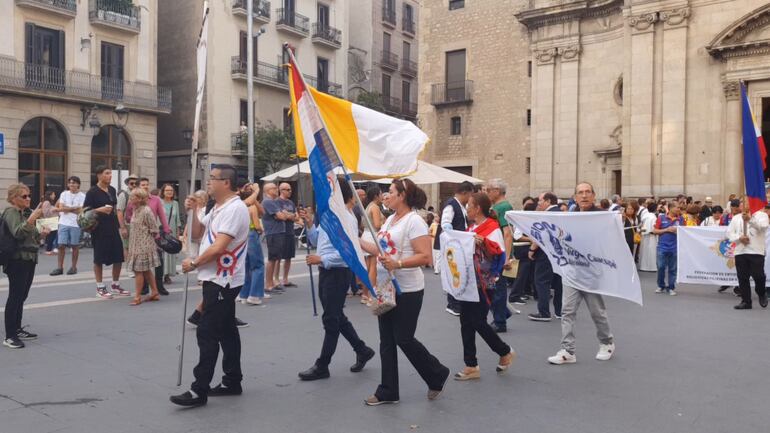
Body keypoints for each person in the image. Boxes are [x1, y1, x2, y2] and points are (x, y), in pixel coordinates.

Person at [361, 179, 450, 406]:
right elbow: (381, 250)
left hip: (408, 290)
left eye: (390, 192)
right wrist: (356, 241)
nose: (385, 195)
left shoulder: (415, 222)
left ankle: (436, 372)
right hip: (387, 288)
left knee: (403, 338)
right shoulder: (390, 219)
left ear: (402, 195)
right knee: (386, 341)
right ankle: (388, 391)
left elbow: (425, 257)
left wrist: (398, 264)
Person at [171, 164, 249, 407]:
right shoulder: (217, 207)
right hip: (214, 277)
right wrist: (193, 210)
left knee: (207, 332)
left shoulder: (235, 209)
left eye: (213, 178)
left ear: (226, 183)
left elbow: (219, 247)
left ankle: (199, 389)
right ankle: (232, 380)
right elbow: (197, 233)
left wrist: (193, 262)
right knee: (226, 330)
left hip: (223, 279)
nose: (208, 182)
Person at [298, 180, 376, 381]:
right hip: (325, 272)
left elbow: (348, 252)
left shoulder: (347, 219)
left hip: (338, 273)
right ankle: (362, 349)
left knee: (331, 320)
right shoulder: (328, 215)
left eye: (331, 191)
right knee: (336, 316)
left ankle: (322, 365)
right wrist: (309, 225)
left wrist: (322, 258)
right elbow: (318, 241)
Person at [547, 182, 615, 365]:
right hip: (572, 272)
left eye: (587, 192)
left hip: (592, 273)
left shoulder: (602, 216)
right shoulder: (569, 216)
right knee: (567, 311)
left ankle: (606, 343)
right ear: (575, 197)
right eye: (580, 193)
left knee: (597, 312)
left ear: (594, 195)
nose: (584, 196)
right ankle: (567, 350)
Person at [453, 193, 516, 381]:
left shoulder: (491, 227)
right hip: (469, 280)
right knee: (466, 321)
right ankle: (471, 364)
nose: (467, 209)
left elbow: (498, 252)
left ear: (477, 208)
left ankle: (504, 351)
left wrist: (483, 242)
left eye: (469, 206)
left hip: (484, 281)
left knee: (478, 321)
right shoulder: (472, 227)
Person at [2, 184, 48, 349]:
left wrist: (41, 233)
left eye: (29, 196)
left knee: (22, 295)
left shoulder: (24, 213)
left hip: (29, 258)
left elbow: (31, 235)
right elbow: (18, 232)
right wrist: (32, 218)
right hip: (17, 260)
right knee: (15, 296)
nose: (28, 198)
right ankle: (10, 336)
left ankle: (17, 328)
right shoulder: (11, 212)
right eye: (24, 196)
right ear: (14, 198)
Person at [84, 166, 127, 299]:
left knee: (119, 256)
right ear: (99, 175)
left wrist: (121, 225)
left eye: (110, 173)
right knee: (99, 258)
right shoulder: (92, 192)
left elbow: (115, 207)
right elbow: (85, 212)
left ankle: (115, 284)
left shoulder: (112, 190)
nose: (110, 176)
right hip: (99, 229)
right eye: (107, 173)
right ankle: (100, 287)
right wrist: (100, 210)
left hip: (112, 227)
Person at [435, 181, 474, 316]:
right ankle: (453, 304)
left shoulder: (459, 205)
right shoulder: (451, 205)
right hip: (453, 246)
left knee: (457, 274)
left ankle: (456, 303)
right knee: (454, 274)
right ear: (465, 193)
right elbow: (446, 224)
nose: (471, 198)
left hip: (458, 245)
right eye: (470, 195)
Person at [127, 178, 171, 296]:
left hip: (147, 241)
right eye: (143, 185)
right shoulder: (134, 207)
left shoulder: (153, 202)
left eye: (147, 184)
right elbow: (128, 216)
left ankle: (157, 288)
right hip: (136, 242)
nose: (146, 186)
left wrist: (165, 231)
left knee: (152, 265)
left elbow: (160, 218)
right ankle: (148, 290)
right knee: (144, 269)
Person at [485, 178, 515, 332]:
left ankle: (500, 321)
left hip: (499, 255)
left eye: (488, 190)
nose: (486, 192)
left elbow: (507, 232)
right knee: (493, 287)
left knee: (497, 288)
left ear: (497, 190)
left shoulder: (503, 207)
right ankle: (501, 314)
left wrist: (507, 257)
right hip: (495, 253)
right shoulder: (498, 206)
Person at [528, 192, 562, 322]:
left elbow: (541, 235)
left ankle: (543, 312)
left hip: (545, 253)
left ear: (548, 201)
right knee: (558, 282)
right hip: (558, 253)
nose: (539, 203)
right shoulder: (560, 212)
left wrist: (532, 249)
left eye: (541, 201)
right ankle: (559, 311)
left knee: (542, 281)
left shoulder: (546, 215)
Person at [729, 200, 769, 310]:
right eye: (743, 203)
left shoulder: (762, 215)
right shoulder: (736, 218)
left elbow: (764, 227)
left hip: (756, 251)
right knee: (742, 277)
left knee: (758, 275)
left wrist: (750, 220)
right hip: (740, 251)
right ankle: (746, 301)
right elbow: (729, 233)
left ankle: (761, 292)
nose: (745, 205)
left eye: (748, 202)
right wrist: (739, 238)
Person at [125, 188, 161, 305]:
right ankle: (155, 292)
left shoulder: (146, 210)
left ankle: (137, 297)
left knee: (138, 271)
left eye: (133, 197)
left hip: (143, 245)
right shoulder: (136, 209)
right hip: (135, 244)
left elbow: (154, 228)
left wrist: (146, 237)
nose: (130, 199)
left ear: (140, 199)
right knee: (145, 271)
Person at [238, 183, 267, 306]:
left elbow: (263, 211)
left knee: (246, 265)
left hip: (241, 235)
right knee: (258, 265)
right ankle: (254, 295)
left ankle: (244, 294)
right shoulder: (252, 208)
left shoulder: (239, 205)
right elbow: (256, 223)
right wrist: (260, 230)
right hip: (252, 234)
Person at [51, 176, 86, 276]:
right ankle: (59, 267)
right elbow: (61, 207)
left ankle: (74, 267)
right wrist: (73, 208)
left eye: (74, 183)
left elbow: (81, 210)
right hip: (63, 222)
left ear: (78, 184)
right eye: (70, 183)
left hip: (76, 224)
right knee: (61, 245)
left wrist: (66, 209)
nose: (72, 185)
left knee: (75, 246)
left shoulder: (82, 196)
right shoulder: (64, 194)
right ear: (68, 184)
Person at [653, 202, 683, 296]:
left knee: (673, 269)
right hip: (662, 247)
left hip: (674, 248)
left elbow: (685, 233)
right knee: (661, 267)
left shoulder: (681, 219)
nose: (679, 209)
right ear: (670, 208)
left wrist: (677, 231)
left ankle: (671, 287)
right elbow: (654, 231)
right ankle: (661, 285)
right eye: (677, 207)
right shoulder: (661, 218)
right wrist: (666, 230)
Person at [161, 184, 181, 285]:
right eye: (167, 190)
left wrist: (178, 233)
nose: (169, 192)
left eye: (171, 191)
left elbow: (177, 219)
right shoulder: (159, 202)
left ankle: (167, 275)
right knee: (162, 253)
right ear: (163, 192)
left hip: (172, 231)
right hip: (161, 231)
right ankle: (160, 274)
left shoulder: (175, 203)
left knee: (170, 252)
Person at [117, 173, 139, 257]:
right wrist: (123, 228)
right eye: (131, 183)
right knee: (127, 247)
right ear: (127, 184)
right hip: (128, 225)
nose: (134, 185)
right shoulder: (124, 195)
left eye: (136, 183)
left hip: (139, 225)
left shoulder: (140, 194)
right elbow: (119, 212)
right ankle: (129, 267)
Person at [638, 202, 659, 272]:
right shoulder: (653, 217)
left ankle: (643, 266)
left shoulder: (645, 216)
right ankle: (651, 267)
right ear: (655, 209)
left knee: (644, 251)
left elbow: (641, 226)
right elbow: (653, 228)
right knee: (651, 251)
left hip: (644, 236)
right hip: (651, 236)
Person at [41, 190, 58, 255]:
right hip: (50, 221)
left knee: (51, 236)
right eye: (53, 194)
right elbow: (46, 213)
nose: (54, 196)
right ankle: (48, 250)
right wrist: (54, 210)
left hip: (52, 221)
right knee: (51, 236)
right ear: (50, 195)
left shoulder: (49, 202)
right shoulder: (47, 202)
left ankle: (49, 249)